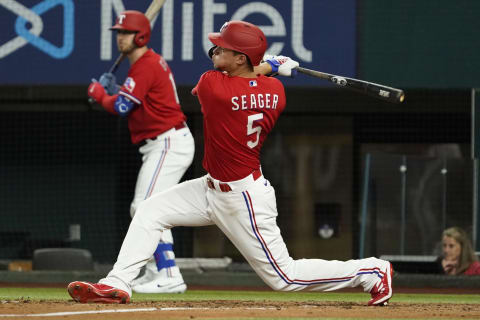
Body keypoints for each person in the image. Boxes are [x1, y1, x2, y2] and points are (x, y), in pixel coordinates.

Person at [68, 20, 393, 306]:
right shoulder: (277, 91)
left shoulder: (213, 86)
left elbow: (233, 81)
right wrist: (274, 67)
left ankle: (371, 271)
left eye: (221, 48)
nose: (213, 50)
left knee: (285, 277)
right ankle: (117, 282)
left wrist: (269, 64)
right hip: (210, 188)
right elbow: (254, 78)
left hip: (243, 198)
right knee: (150, 211)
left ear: (240, 58)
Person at [87, 10, 194, 293]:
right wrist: (118, 90)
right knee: (149, 208)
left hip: (169, 143)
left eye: (126, 33)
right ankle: (159, 271)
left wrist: (101, 94)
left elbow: (123, 107)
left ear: (142, 36)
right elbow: (135, 100)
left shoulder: (146, 64)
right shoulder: (144, 65)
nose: (120, 37)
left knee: (145, 207)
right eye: (118, 33)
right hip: (162, 144)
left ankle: (169, 274)